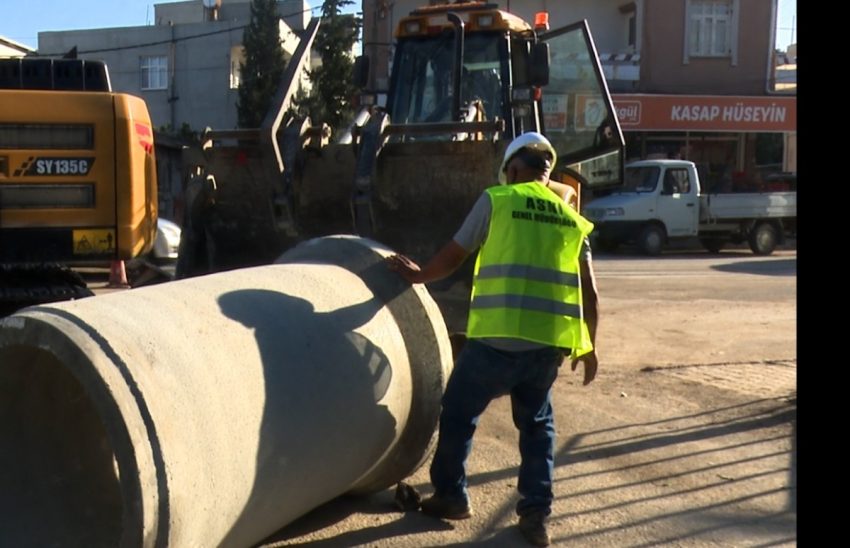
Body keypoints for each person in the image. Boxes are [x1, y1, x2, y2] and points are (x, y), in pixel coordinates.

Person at [386, 132, 600, 547]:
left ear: (514, 169)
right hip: (546, 347)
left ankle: (451, 495)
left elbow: (455, 254)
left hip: (496, 341)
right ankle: (535, 517)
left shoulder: (497, 200)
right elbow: (590, 291)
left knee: (458, 412)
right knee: (537, 427)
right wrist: (590, 347)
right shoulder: (571, 217)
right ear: (547, 172)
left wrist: (418, 275)